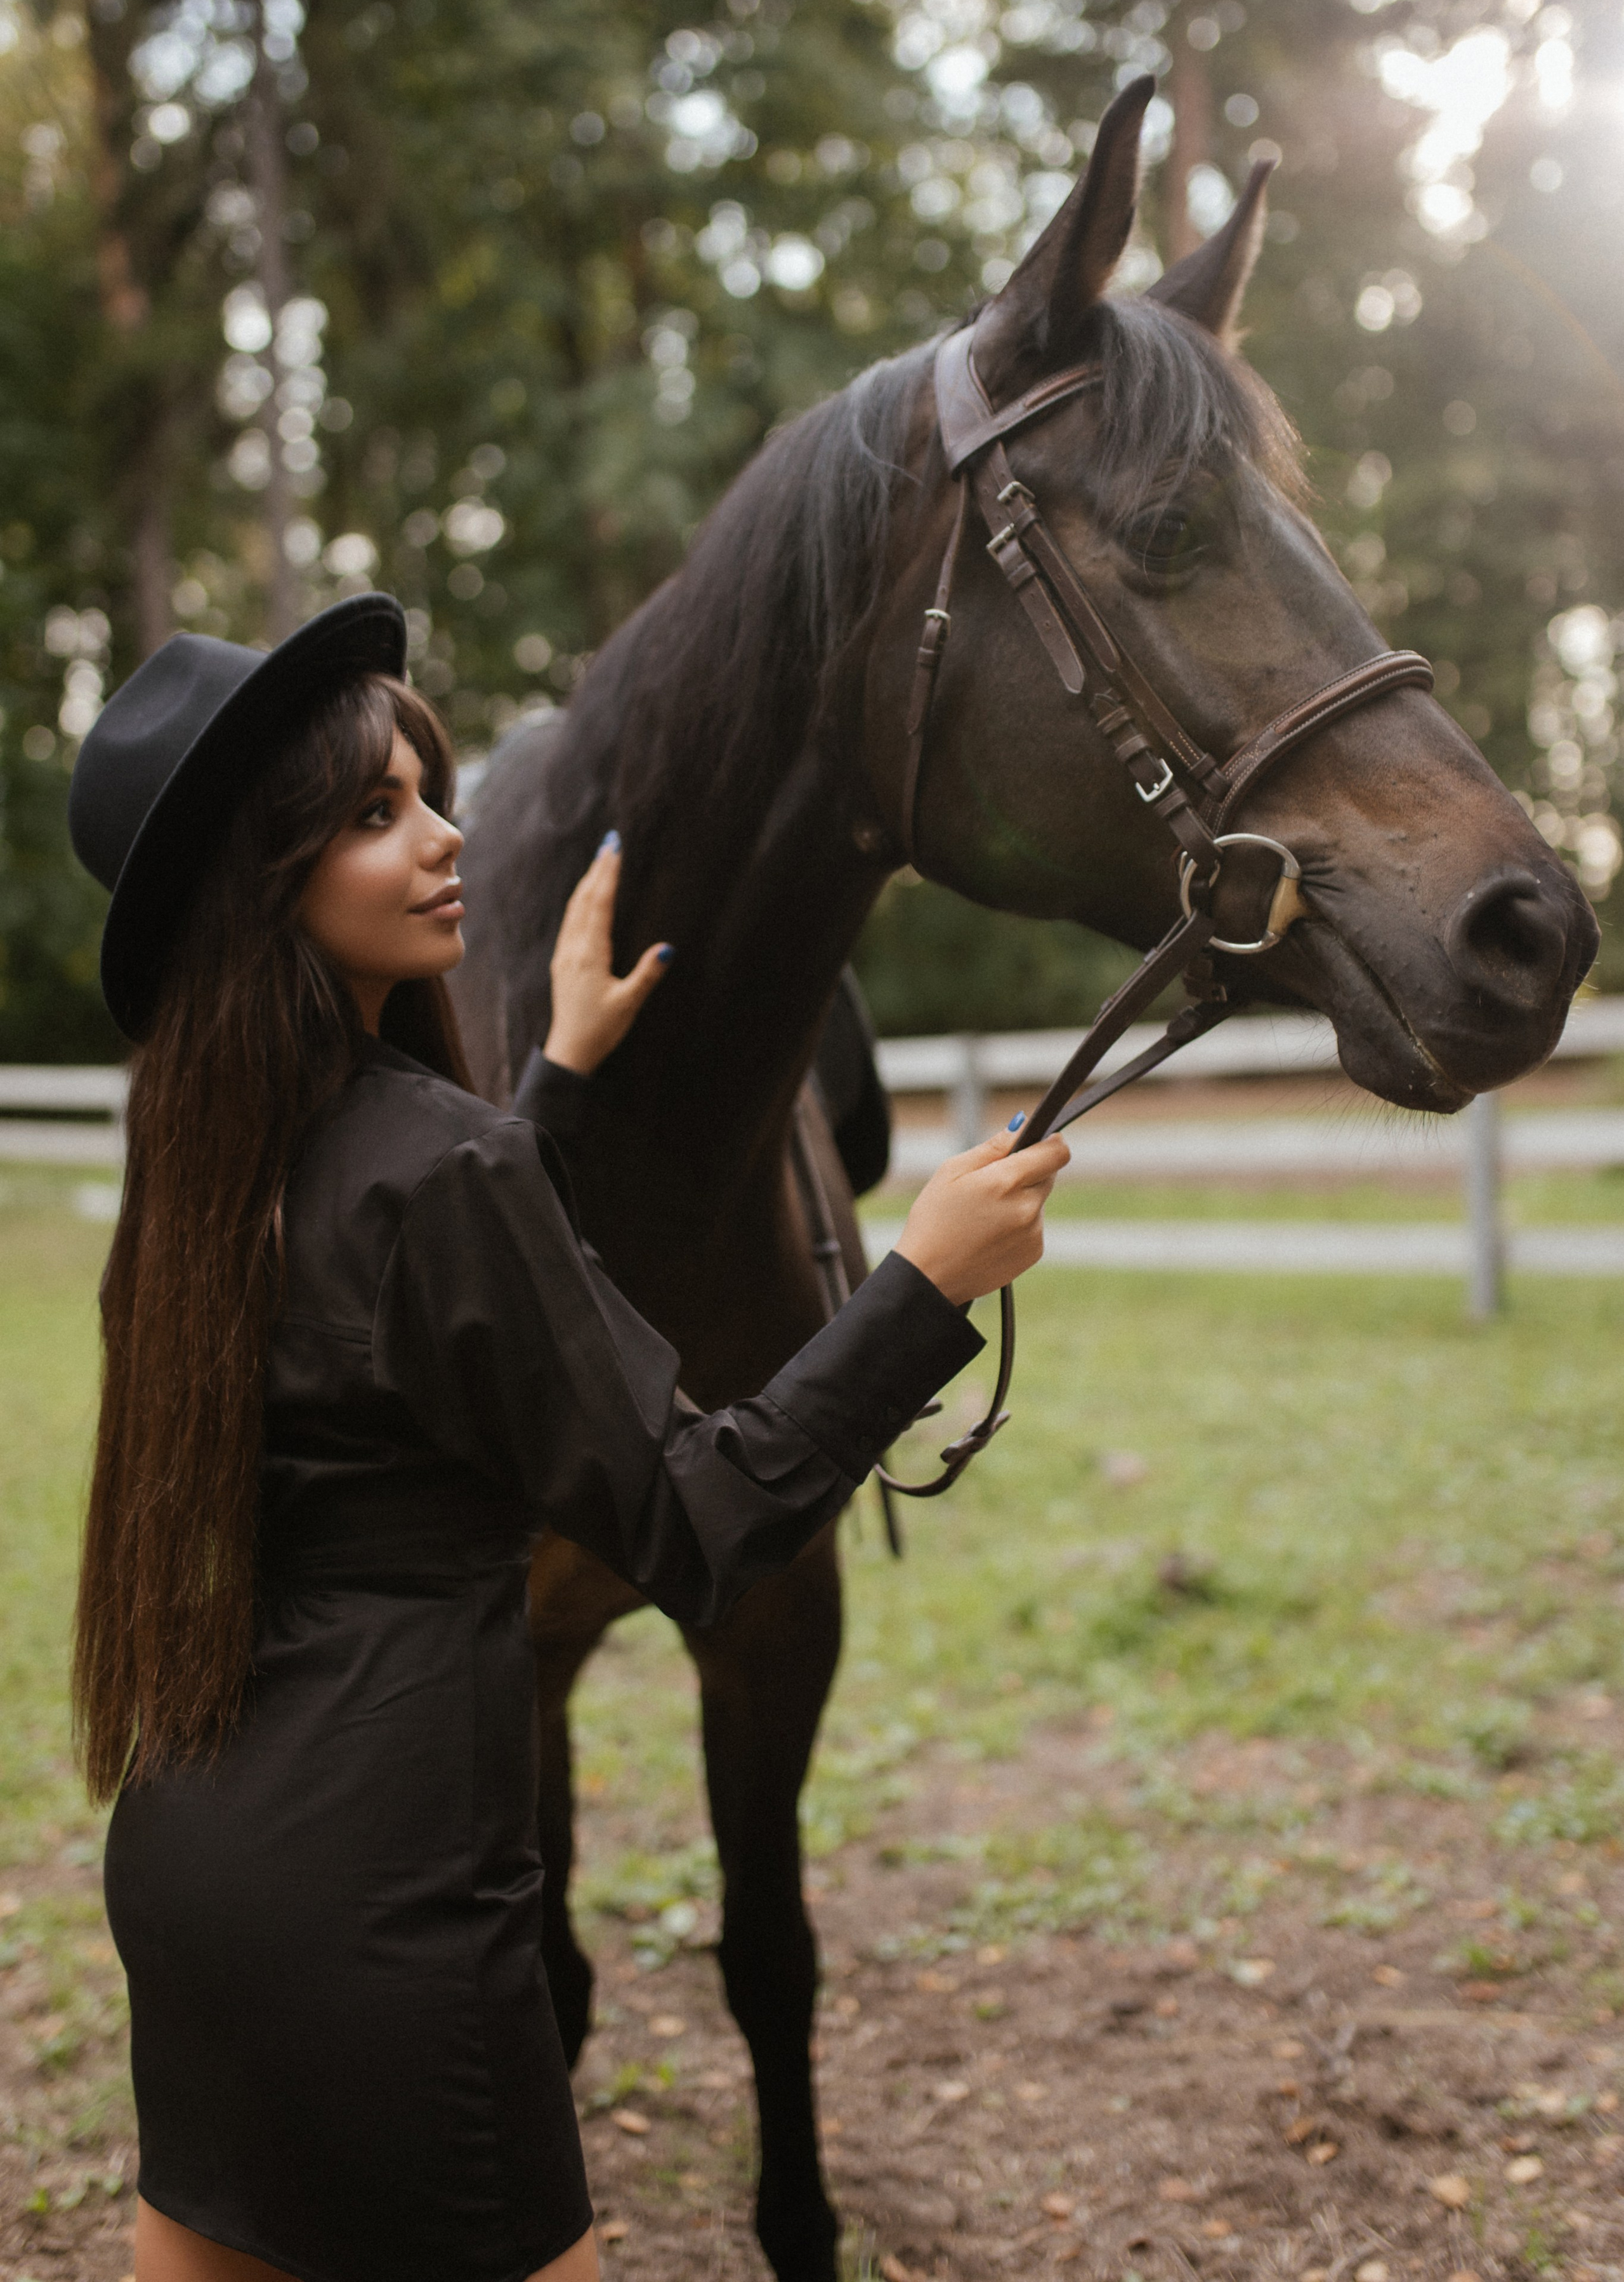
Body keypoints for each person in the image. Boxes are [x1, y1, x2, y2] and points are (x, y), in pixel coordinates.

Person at [67, 594, 1069, 2282]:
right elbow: (692, 1521)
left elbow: (390, 1310)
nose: (452, 837)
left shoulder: (195, 1163)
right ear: (267, 881)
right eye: (378, 813)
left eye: (431, 789)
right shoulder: (443, 1166)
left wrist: (559, 1085)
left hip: (192, 1874)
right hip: (402, 1919)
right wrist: (918, 1283)